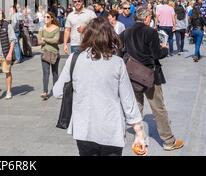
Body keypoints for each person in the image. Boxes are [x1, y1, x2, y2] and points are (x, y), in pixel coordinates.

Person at [53, 17, 147, 156]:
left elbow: (57, 91)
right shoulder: (117, 63)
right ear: (110, 36)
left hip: (84, 129)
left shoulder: (74, 59)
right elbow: (128, 101)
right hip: (111, 129)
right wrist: (139, 133)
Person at [119, 6, 184, 151]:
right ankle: (168, 141)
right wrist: (165, 48)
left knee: (135, 109)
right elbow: (157, 54)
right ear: (147, 17)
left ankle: (139, 141)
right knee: (158, 108)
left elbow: (118, 51)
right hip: (150, 76)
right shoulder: (150, 32)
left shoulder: (126, 32)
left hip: (132, 75)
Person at [37, 12, 60, 100]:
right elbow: (39, 41)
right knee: (46, 73)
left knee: (55, 73)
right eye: (44, 17)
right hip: (44, 52)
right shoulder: (41, 28)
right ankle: (45, 91)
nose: (45, 18)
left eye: (47, 17)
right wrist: (42, 39)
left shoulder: (56, 28)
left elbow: (56, 40)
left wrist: (45, 39)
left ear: (51, 19)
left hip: (54, 53)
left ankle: (56, 90)